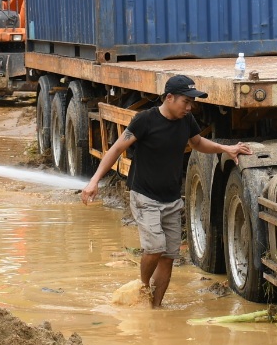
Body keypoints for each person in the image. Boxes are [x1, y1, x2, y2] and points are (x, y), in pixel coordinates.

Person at [82, 75, 252, 307]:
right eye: (185, 101)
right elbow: (116, 148)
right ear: (169, 97)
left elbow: (198, 143)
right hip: (145, 196)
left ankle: (156, 306)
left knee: (168, 257)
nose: (189, 107)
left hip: (171, 199)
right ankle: (142, 287)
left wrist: (225, 148)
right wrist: (94, 181)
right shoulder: (145, 120)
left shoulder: (187, 120)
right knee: (154, 248)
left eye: (191, 102)